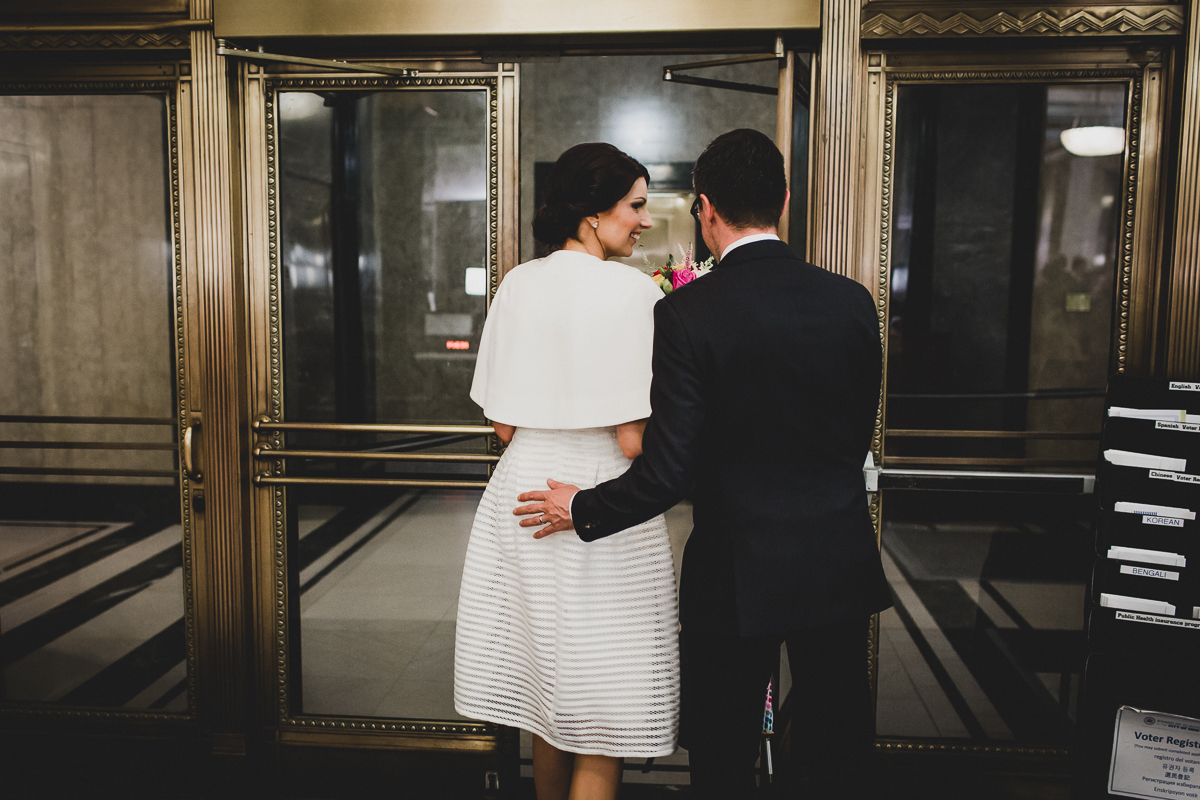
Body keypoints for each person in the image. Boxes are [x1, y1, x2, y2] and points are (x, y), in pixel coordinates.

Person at [514, 129, 892, 799]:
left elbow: (669, 470)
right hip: (836, 561)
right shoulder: (852, 302)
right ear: (782, 199)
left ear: (706, 208)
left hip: (734, 571)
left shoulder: (688, 312)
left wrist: (581, 507)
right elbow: (853, 437)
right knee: (839, 749)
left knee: (723, 754)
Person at [453, 142, 679, 800]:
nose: (643, 220)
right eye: (636, 205)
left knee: (546, 697)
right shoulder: (635, 293)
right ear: (591, 212)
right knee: (605, 708)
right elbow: (634, 441)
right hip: (601, 499)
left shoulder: (518, 283)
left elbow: (500, 426)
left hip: (522, 492)